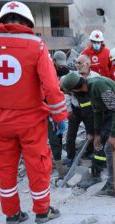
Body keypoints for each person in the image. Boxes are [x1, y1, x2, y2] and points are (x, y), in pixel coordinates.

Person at [0, 1, 67, 224]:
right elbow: (51, 87)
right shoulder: (36, 45)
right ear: (28, 22)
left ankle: (12, 215)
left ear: (1, 21)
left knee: (6, 169)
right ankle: (42, 211)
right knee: (37, 166)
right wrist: (60, 118)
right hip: (32, 122)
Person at [60, 72, 115, 197]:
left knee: (109, 147)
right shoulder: (89, 89)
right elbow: (97, 111)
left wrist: (114, 135)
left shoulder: (98, 86)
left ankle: (112, 186)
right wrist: (96, 134)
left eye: (71, 92)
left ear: (75, 89)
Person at [49, 50, 70, 178]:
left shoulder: (62, 70)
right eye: (59, 64)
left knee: (57, 136)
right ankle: (57, 165)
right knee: (53, 136)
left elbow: (67, 76)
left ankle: (56, 161)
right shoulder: (46, 69)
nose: (61, 67)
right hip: (45, 108)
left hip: (56, 107)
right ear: (54, 61)